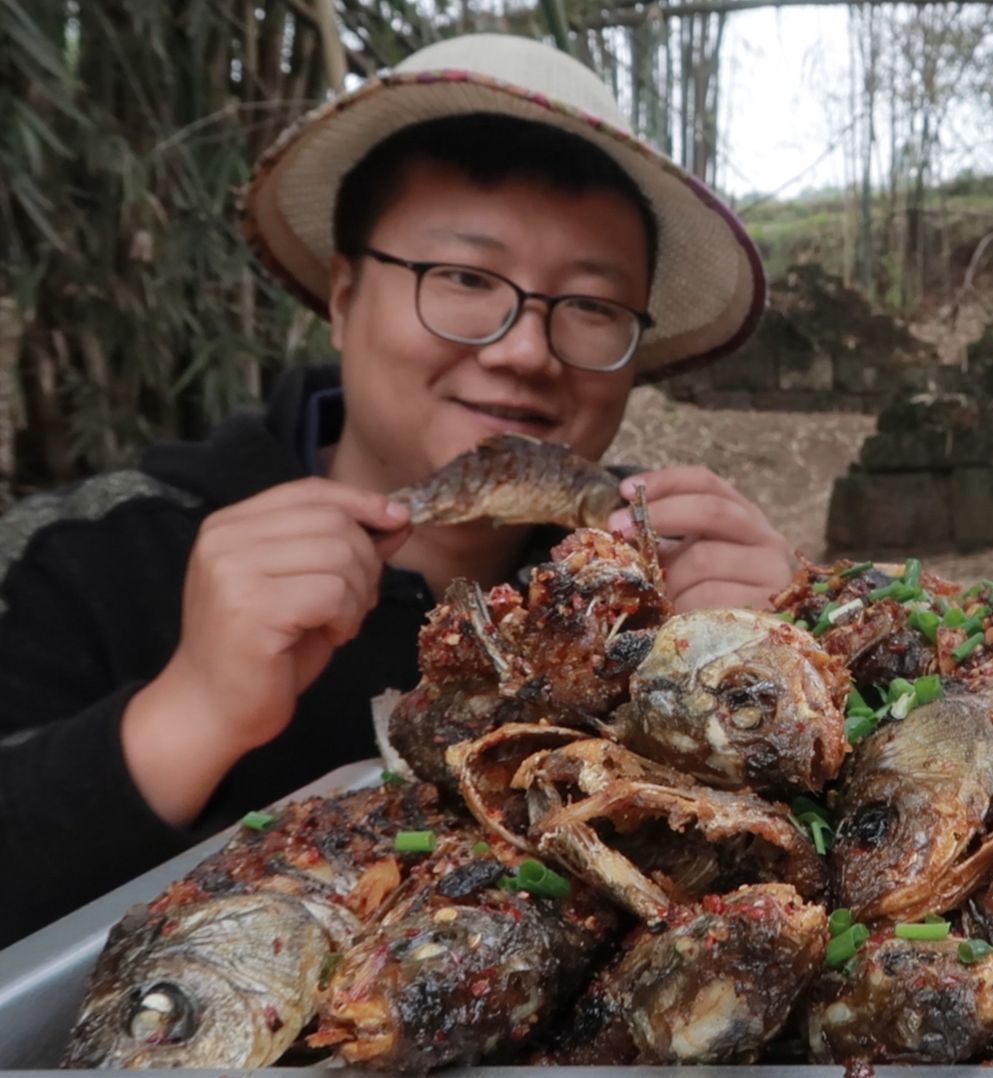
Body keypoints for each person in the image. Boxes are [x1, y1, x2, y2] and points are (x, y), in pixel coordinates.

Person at [0, 34, 792, 944]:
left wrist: (774, 669)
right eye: (460, 278)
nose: (525, 349)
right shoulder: (87, 556)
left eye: (590, 305)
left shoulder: (667, 580)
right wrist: (189, 710)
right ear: (342, 298)